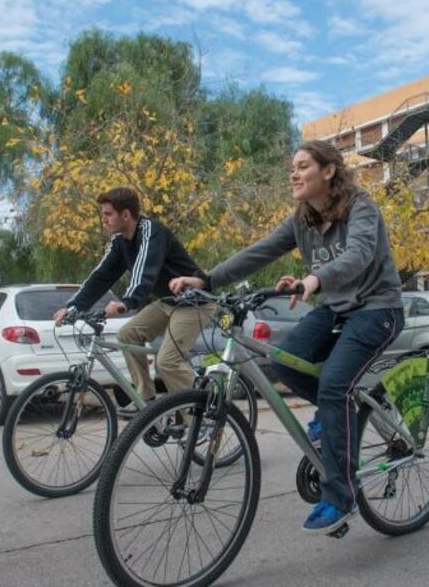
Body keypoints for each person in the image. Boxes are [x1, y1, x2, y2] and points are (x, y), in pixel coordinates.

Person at [170, 140, 404, 536]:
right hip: (335, 308)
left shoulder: (361, 206)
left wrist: (314, 279)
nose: (293, 174)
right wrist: (207, 279)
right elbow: (260, 252)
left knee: (333, 387)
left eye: (302, 166)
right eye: (291, 168)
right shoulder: (301, 218)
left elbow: (360, 255)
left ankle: (340, 496)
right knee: (282, 359)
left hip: (377, 309)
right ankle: (338, 416)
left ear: (328, 171)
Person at [54, 187, 214, 417]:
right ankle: (146, 400)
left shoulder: (151, 232)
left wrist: (126, 302)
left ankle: (201, 417)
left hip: (195, 302)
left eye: (108, 214)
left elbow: (144, 272)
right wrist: (73, 307)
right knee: (127, 335)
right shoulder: (120, 242)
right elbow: (100, 276)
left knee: (167, 361)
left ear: (126, 215)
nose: (104, 219)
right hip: (168, 302)